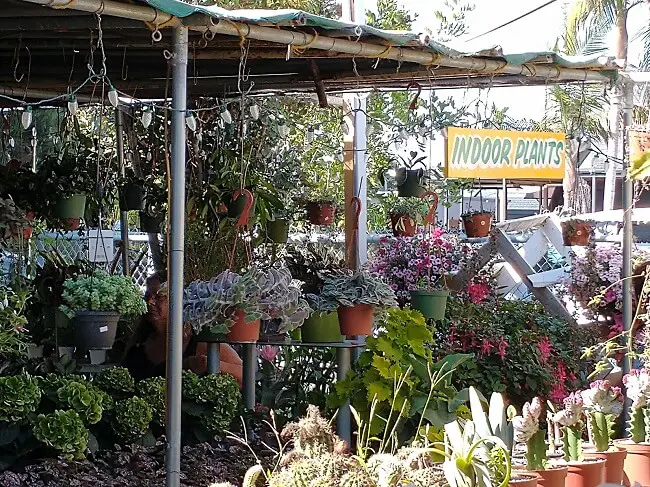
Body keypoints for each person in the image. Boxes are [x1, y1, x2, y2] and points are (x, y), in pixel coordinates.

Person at [122, 274, 243, 384]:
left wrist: (210, 364)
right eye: (148, 295)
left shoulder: (199, 340)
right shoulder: (140, 341)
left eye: (159, 297)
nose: (149, 302)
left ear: (180, 300)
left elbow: (243, 373)